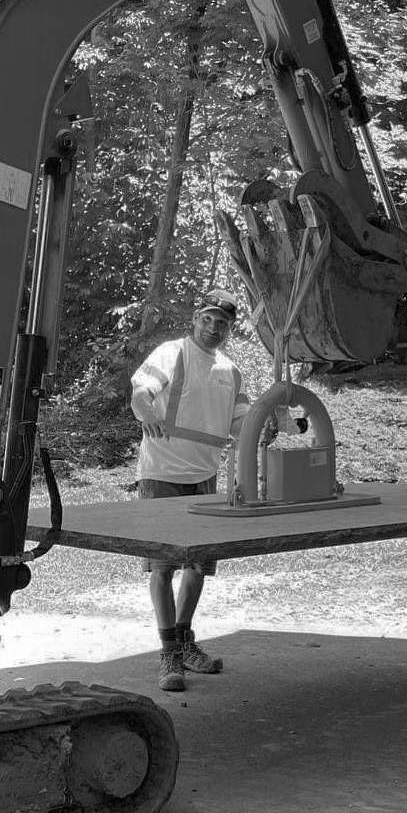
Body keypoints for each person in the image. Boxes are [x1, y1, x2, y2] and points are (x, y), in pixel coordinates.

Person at [130, 287, 251, 692]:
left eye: (223, 323)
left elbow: (241, 424)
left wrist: (268, 425)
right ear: (196, 318)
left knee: (198, 566)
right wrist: (145, 409)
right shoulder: (171, 353)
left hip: (205, 478)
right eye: (208, 319)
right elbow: (141, 393)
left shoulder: (231, 372)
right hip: (162, 474)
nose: (214, 328)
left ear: (230, 329)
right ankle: (168, 653)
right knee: (163, 567)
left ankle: (183, 639)